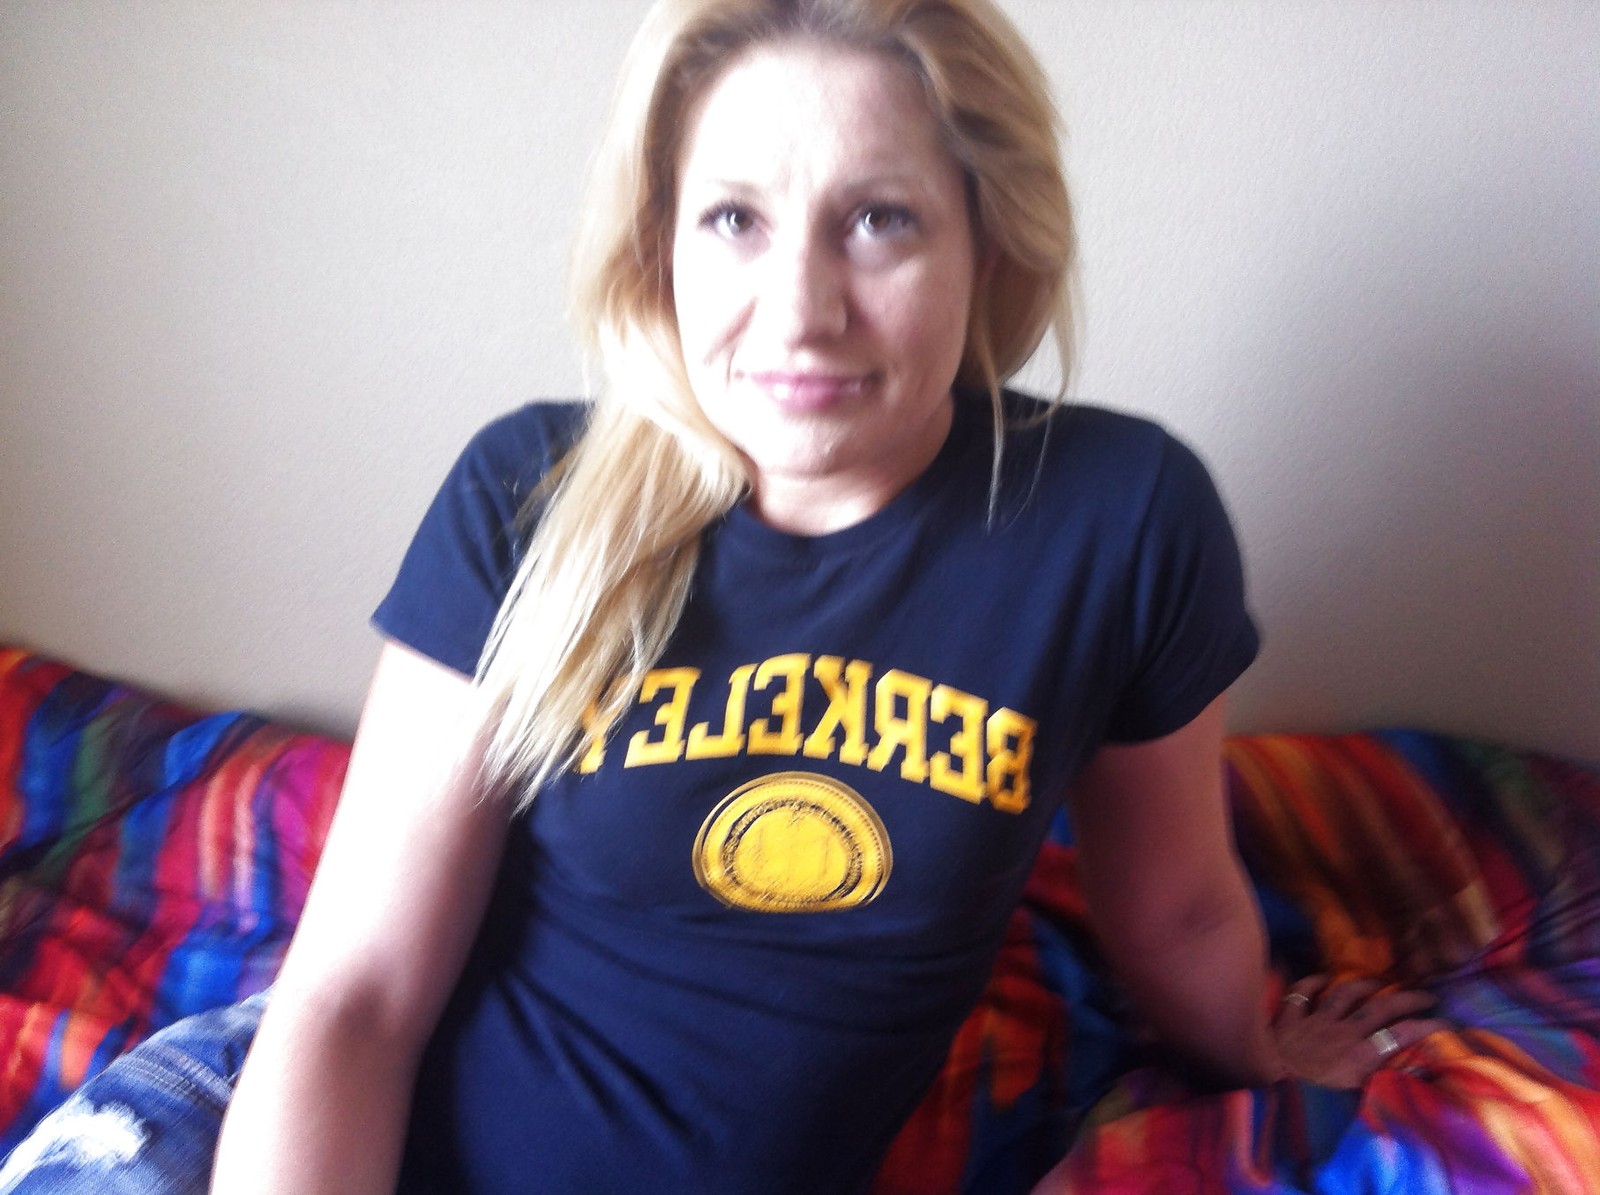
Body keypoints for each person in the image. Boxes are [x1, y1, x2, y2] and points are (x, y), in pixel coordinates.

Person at [0, 1, 1443, 1192]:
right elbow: (355, 996)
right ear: (661, 246)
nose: (799, 311)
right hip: (263, 1131)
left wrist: (1261, 1049)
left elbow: (1176, 908)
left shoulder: (1117, 522)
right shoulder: (532, 492)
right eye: (735, 219)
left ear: (988, 239)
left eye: (880, 221)